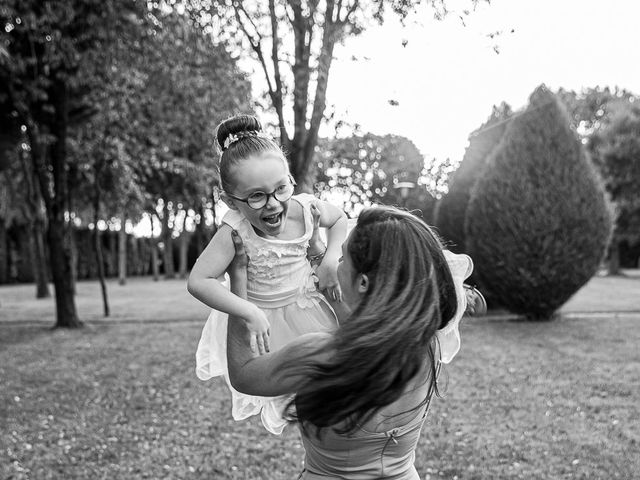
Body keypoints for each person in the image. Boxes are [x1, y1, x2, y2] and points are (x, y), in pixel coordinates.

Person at [225, 206, 473, 479]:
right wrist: (319, 254)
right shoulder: (428, 342)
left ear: (364, 283)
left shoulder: (321, 354)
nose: (336, 263)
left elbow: (244, 374)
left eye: (342, 258)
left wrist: (239, 279)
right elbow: (362, 334)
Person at [188, 114, 347, 433]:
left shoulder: (304, 208)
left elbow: (340, 218)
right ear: (230, 201)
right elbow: (199, 281)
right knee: (296, 394)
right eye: (257, 196)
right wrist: (246, 310)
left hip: (309, 309)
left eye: (281, 188)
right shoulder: (235, 229)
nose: (273, 204)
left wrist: (330, 257)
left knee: (336, 380)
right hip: (265, 323)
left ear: (290, 179)